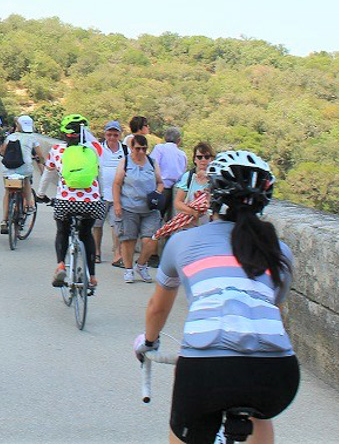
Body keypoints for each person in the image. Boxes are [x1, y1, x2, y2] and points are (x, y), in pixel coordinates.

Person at [135, 150, 298, 444]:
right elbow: (274, 309)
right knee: (260, 414)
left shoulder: (182, 242)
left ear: (211, 195)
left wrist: (148, 343)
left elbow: (157, 308)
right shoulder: (280, 251)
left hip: (208, 369)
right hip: (278, 373)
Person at [44, 114, 106, 290]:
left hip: (65, 202)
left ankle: (61, 265)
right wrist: (100, 196)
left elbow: (47, 175)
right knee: (86, 234)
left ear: (65, 134)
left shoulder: (57, 150)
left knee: (62, 231)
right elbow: (99, 175)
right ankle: (92, 277)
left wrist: (41, 194)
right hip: (91, 202)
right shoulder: (94, 149)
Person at [112, 133, 163, 283]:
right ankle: (128, 269)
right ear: (131, 148)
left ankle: (141, 265)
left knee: (151, 239)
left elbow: (160, 182)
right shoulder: (125, 162)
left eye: (144, 149)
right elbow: (117, 184)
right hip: (129, 207)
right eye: (138, 149)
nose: (141, 152)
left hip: (149, 208)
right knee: (128, 240)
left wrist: (157, 193)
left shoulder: (152, 163)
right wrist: (117, 204)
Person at [0, 114, 43, 233]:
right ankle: (29, 205)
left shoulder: (11, 137)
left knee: (8, 191)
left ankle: (4, 220)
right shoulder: (32, 138)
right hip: (25, 167)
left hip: (8, 168)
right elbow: (40, 155)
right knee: (26, 181)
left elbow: (2, 151)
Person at [95, 121, 128, 267]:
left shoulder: (125, 150)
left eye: (115, 134)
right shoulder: (97, 149)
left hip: (118, 195)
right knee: (97, 225)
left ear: (120, 135)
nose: (112, 137)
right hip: (99, 193)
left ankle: (117, 254)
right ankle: (96, 252)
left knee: (117, 226)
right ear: (105, 134)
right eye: (110, 134)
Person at [172, 143, 215, 228]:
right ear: (194, 159)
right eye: (199, 157)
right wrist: (192, 211)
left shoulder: (216, 177)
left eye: (206, 157)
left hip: (209, 224)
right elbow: (178, 202)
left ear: (211, 159)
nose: (203, 160)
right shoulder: (188, 177)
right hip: (190, 224)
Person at [151, 127, 188, 210]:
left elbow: (152, 165)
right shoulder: (182, 155)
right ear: (179, 140)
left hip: (160, 188)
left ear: (165, 137)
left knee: (155, 216)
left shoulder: (159, 148)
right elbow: (183, 172)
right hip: (176, 192)